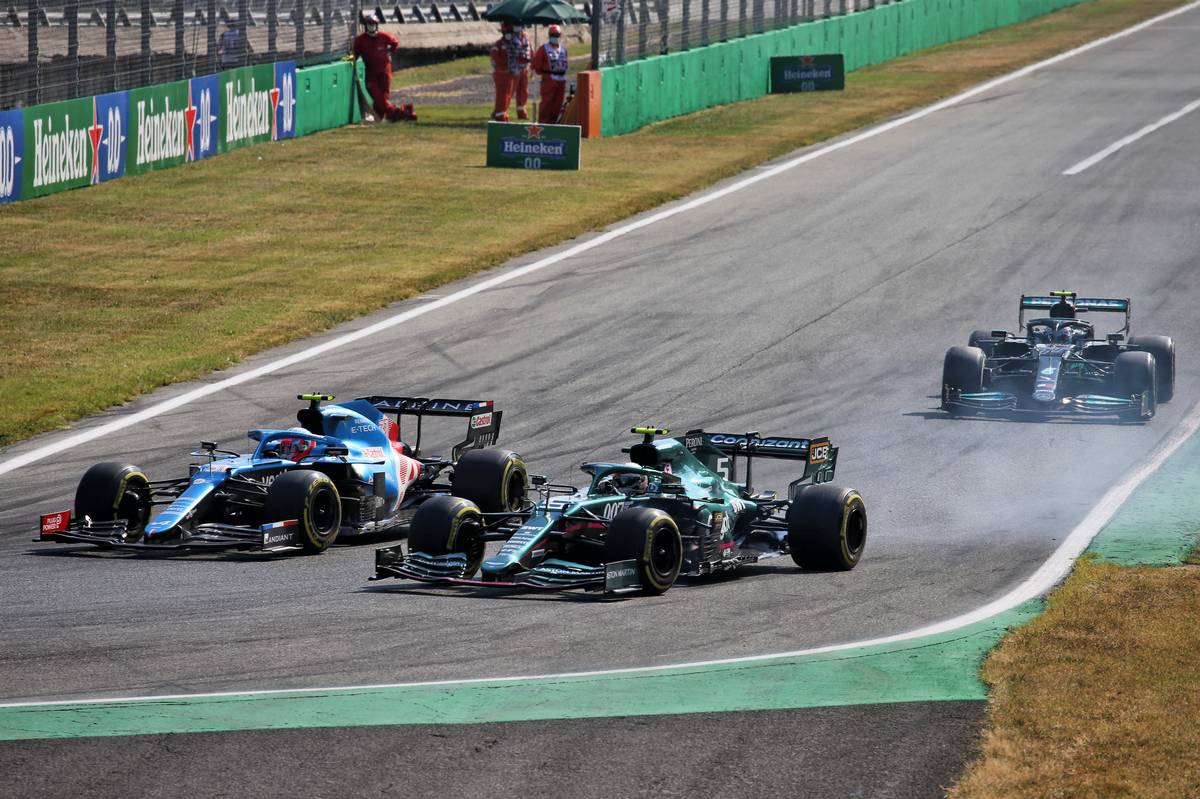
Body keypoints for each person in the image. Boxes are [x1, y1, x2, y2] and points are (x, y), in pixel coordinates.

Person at [352, 11, 408, 123]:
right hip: (371, 73)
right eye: (369, 24)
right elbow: (355, 54)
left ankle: (380, 118)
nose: (371, 27)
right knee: (376, 94)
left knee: (384, 95)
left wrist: (390, 52)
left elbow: (395, 43)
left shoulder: (384, 36)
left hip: (385, 72)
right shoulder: (360, 40)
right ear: (365, 26)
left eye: (373, 24)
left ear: (377, 25)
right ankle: (394, 112)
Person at [490, 22, 532, 121]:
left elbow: (524, 55)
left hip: (512, 73)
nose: (508, 34)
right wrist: (503, 68)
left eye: (510, 32)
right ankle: (500, 114)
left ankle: (501, 113)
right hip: (502, 74)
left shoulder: (517, 42)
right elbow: (494, 59)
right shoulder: (499, 44)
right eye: (506, 32)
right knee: (503, 95)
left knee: (509, 95)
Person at [532, 24, 568, 123]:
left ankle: (553, 123)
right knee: (547, 103)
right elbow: (536, 64)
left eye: (557, 35)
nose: (555, 37)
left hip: (561, 80)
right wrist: (544, 74)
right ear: (549, 35)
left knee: (558, 104)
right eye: (553, 35)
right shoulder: (544, 48)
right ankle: (543, 123)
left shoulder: (563, 49)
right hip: (549, 79)